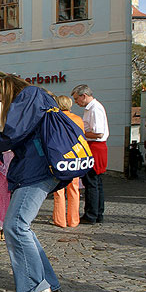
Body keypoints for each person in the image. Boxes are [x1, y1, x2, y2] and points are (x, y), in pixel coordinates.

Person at [0, 75, 61, 292]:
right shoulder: (39, 97)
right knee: (22, 227)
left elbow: (14, 134)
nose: (3, 104)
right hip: (40, 169)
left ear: (7, 90)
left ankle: (35, 285)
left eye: (2, 98)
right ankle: (47, 281)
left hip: (36, 170)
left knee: (15, 225)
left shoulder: (28, 96)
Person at [72, 84, 109, 224]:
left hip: (95, 147)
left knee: (91, 182)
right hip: (96, 147)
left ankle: (91, 214)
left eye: (77, 99)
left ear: (84, 96)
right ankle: (97, 213)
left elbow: (98, 133)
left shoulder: (94, 109)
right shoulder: (92, 108)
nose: (76, 102)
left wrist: (80, 132)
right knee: (96, 182)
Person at [52, 95, 84, 228]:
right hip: (75, 156)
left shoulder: (55, 119)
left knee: (59, 189)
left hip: (60, 156)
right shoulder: (78, 119)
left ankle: (60, 220)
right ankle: (74, 220)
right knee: (74, 189)